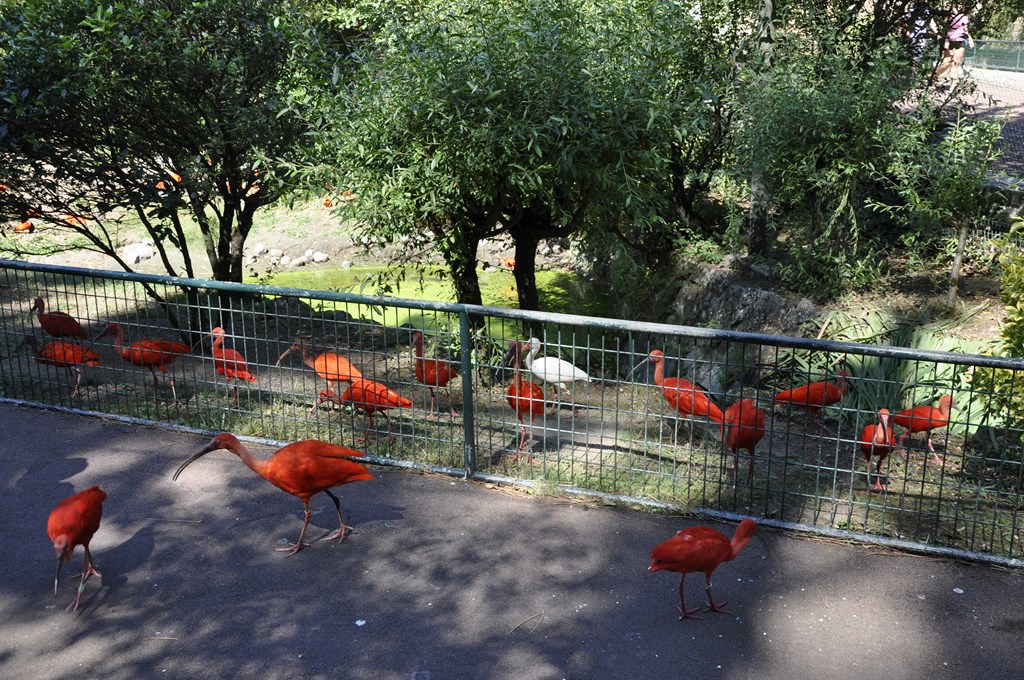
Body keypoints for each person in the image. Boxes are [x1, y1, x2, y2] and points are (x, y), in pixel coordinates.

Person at [933, 7, 975, 85]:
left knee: (956, 63)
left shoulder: (964, 17)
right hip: (949, 41)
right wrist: (944, 40)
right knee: (947, 62)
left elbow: (965, 29)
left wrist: (970, 39)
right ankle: (934, 77)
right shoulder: (948, 17)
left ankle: (954, 83)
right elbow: (943, 29)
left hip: (960, 41)